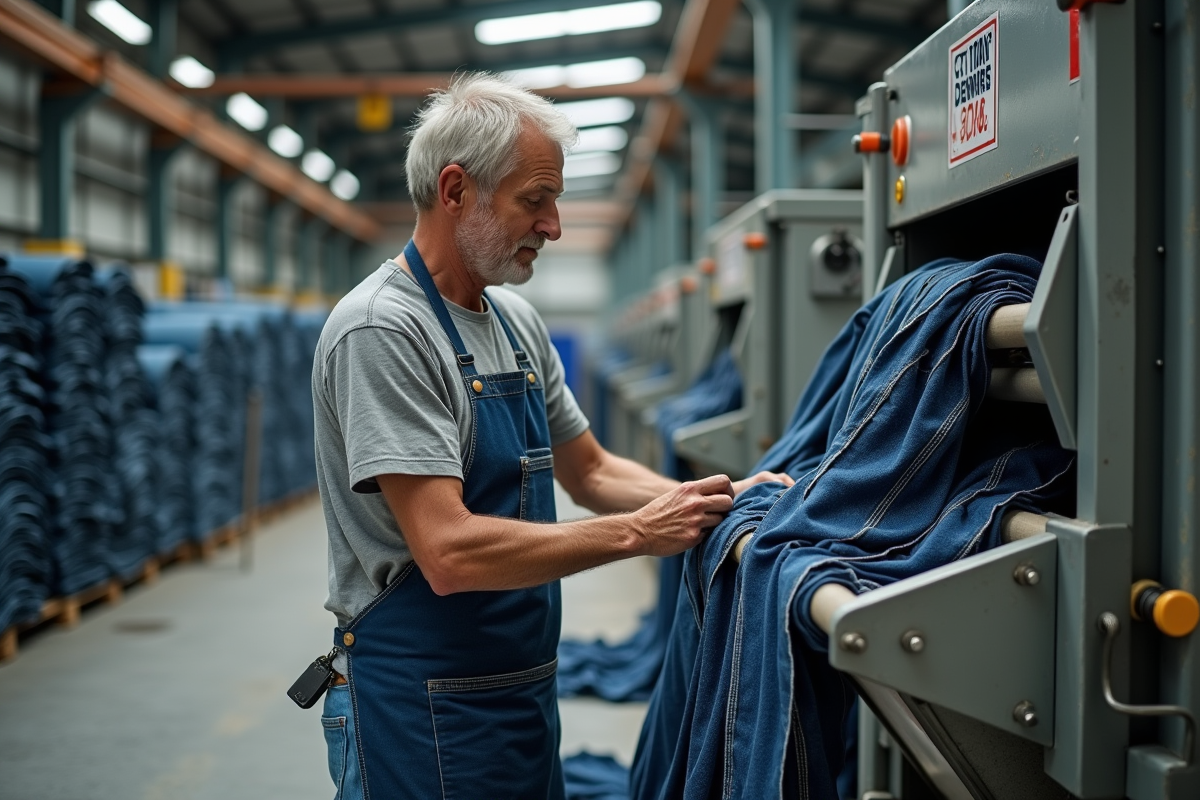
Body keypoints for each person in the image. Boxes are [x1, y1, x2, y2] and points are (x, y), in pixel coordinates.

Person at [311, 72, 791, 800]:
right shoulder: (384, 330)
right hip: (416, 707)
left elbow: (591, 471)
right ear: (454, 190)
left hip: (519, 696)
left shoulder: (515, 324)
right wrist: (637, 534)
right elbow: (447, 552)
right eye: (534, 201)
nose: (554, 226)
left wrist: (713, 499)